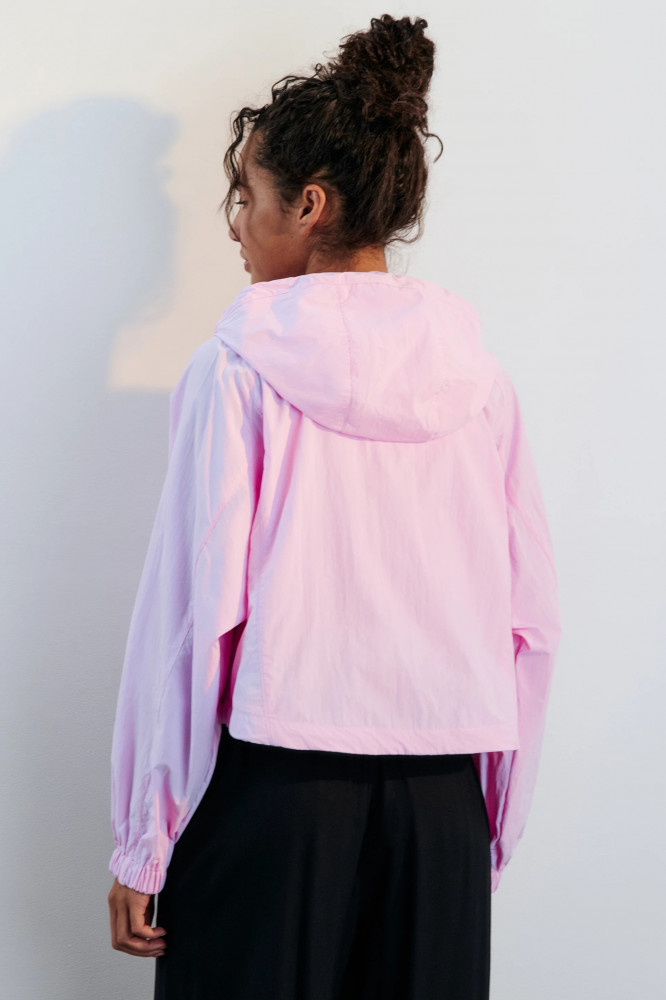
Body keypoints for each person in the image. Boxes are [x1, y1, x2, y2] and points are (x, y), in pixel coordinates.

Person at [107, 14, 562, 1000]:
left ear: (308, 204)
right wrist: (487, 827)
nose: (236, 223)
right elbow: (529, 624)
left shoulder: (237, 370)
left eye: (248, 196)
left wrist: (146, 837)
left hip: (275, 799)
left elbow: (193, 619)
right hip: (441, 806)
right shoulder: (483, 382)